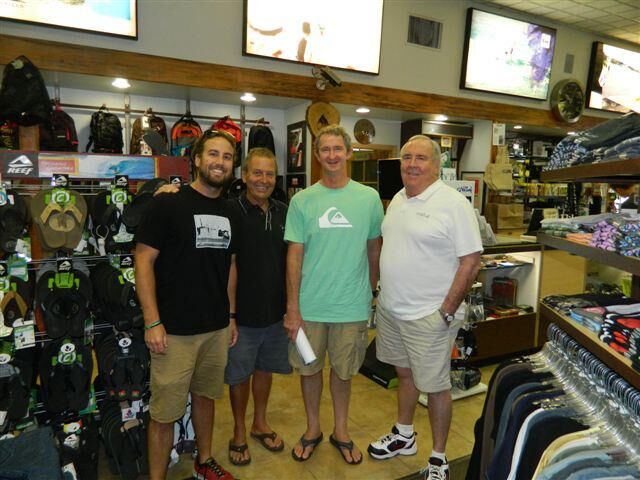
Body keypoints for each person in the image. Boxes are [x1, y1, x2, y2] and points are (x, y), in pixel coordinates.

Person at [367, 135, 482, 480]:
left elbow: (471, 260)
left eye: (421, 158)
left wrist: (445, 311)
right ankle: (404, 435)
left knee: (435, 386)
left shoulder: (452, 204)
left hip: (430, 315)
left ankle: (439, 457)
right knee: (404, 373)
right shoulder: (399, 199)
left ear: (437, 165)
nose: (412, 164)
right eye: (406, 157)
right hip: (393, 309)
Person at [135, 129, 240, 480]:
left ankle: (203, 460)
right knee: (164, 413)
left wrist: (230, 316)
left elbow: (230, 267)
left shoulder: (230, 211)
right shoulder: (168, 203)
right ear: (196, 160)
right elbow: (143, 261)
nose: (219, 162)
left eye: (226, 157)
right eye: (212, 154)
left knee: (206, 397)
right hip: (173, 332)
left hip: (215, 327)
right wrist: (152, 321)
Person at [284, 124, 383, 465]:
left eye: (337, 149)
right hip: (309, 308)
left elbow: (374, 249)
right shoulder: (302, 200)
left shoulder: (368, 199)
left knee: (344, 373)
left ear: (348, 152)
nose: (331, 155)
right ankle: (313, 429)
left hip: (351, 307)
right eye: (324, 150)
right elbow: (294, 256)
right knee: (309, 371)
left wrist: (371, 293)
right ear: (317, 155)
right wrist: (292, 308)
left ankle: (341, 431)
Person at [225, 147, 291, 466]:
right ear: (244, 175)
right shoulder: (229, 211)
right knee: (239, 374)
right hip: (242, 315)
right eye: (257, 173)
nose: (263, 180)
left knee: (265, 369)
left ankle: (259, 423)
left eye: (269, 174)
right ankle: (238, 431)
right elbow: (228, 267)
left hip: (276, 314)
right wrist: (231, 316)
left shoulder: (284, 211)